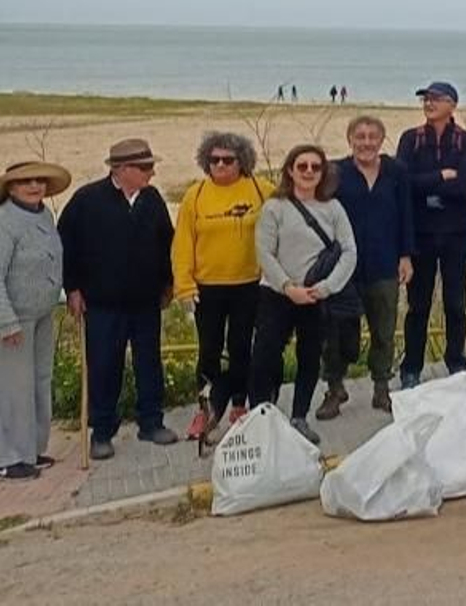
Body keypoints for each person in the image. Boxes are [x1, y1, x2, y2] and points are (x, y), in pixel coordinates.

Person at [59, 139, 177, 461]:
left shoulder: (152, 199)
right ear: (122, 169)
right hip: (102, 304)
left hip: (145, 301)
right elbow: (66, 245)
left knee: (149, 363)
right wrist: (72, 288)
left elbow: (166, 242)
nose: (152, 173)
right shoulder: (87, 200)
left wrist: (168, 283)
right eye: (146, 167)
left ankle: (151, 422)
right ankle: (102, 432)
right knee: (104, 366)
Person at [171, 132, 273, 442]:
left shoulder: (262, 190)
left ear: (242, 161)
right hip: (208, 287)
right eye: (214, 160)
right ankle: (206, 408)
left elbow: (283, 226)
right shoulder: (196, 195)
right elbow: (182, 244)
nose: (220, 165)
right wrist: (184, 286)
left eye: (228, 160)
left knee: (241, 348)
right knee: (209, 350)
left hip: (249, 284)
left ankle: (239, 405)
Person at [250, 144, 356, 445]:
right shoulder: (274, 207)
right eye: (302, 166)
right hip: (276, 294)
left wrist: (326, 287)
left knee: (309, 357)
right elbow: (264, 253)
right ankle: (261, 419)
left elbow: (349, 251)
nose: (308, 171)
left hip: (316, 295)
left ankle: (299, 417)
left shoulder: (333, 208)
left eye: (315, 166)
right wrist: (288, 287)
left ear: (323, 173)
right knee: (264, 357)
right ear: (290, 170)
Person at [320, 115, 414, 418]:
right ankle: (335, 388)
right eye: (360, 136)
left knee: (384, 330)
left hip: (384, 262)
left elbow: (406, 214)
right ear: (350, 140)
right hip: (343, 267)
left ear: (382, 140)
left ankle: (381, 388)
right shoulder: (335, 172)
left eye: (373, 136)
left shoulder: (396, 171)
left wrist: (406, 256)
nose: (366, 142)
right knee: (336, 332)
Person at [396, 81, 466, 390]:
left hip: (456, 233)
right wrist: (441, 176)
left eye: (436, 98)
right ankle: (411, 368)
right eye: (426, 99)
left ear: (452, 105)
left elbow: (463, 185)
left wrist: (427, 185)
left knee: (455, 304)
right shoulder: (411, 139)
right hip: (421, 234)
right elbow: (404, 182)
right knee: (418, 305)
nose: (429, 103)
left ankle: (456, 362)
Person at [0, 161, 71, 480]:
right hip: (14, 319)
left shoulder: (44, 215)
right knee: (14, 388)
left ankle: (31, 448)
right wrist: (6, 322)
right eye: (25, 182)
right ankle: (9, 456)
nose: (34, 186)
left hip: (43, 313)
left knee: (40, 381)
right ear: (11, 188)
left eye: (39, 181)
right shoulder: (4, 222)